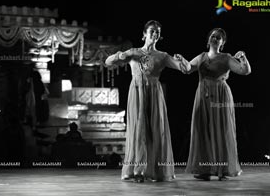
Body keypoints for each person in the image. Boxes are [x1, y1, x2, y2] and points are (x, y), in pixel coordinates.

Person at [105, 20, 190, 182]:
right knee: (139, 130)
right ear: (144, 34)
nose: (155, 34)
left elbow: (185, 70)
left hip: (154, 93)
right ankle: (138, 170)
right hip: (136, 92)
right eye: (152, 30)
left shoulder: (162, 56)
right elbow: (108, 62)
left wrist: (182, 60)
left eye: (158, 31)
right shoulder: (134, 52)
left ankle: (157, 171)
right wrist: (120, 55)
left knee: (156, 130)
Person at [174, 28, 251, 181]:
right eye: (213, 36)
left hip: (220, 96)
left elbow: (245, 71)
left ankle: (223, 169)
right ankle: (205, 169)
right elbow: (188, 69)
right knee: (202, 130)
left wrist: (243, 57)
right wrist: (182, 60)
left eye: (219, 37)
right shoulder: (201, 56)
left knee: (221, 130)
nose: (215, 38)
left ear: (222, 43)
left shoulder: (226, 57)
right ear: (208, 39)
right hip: (202, 96)